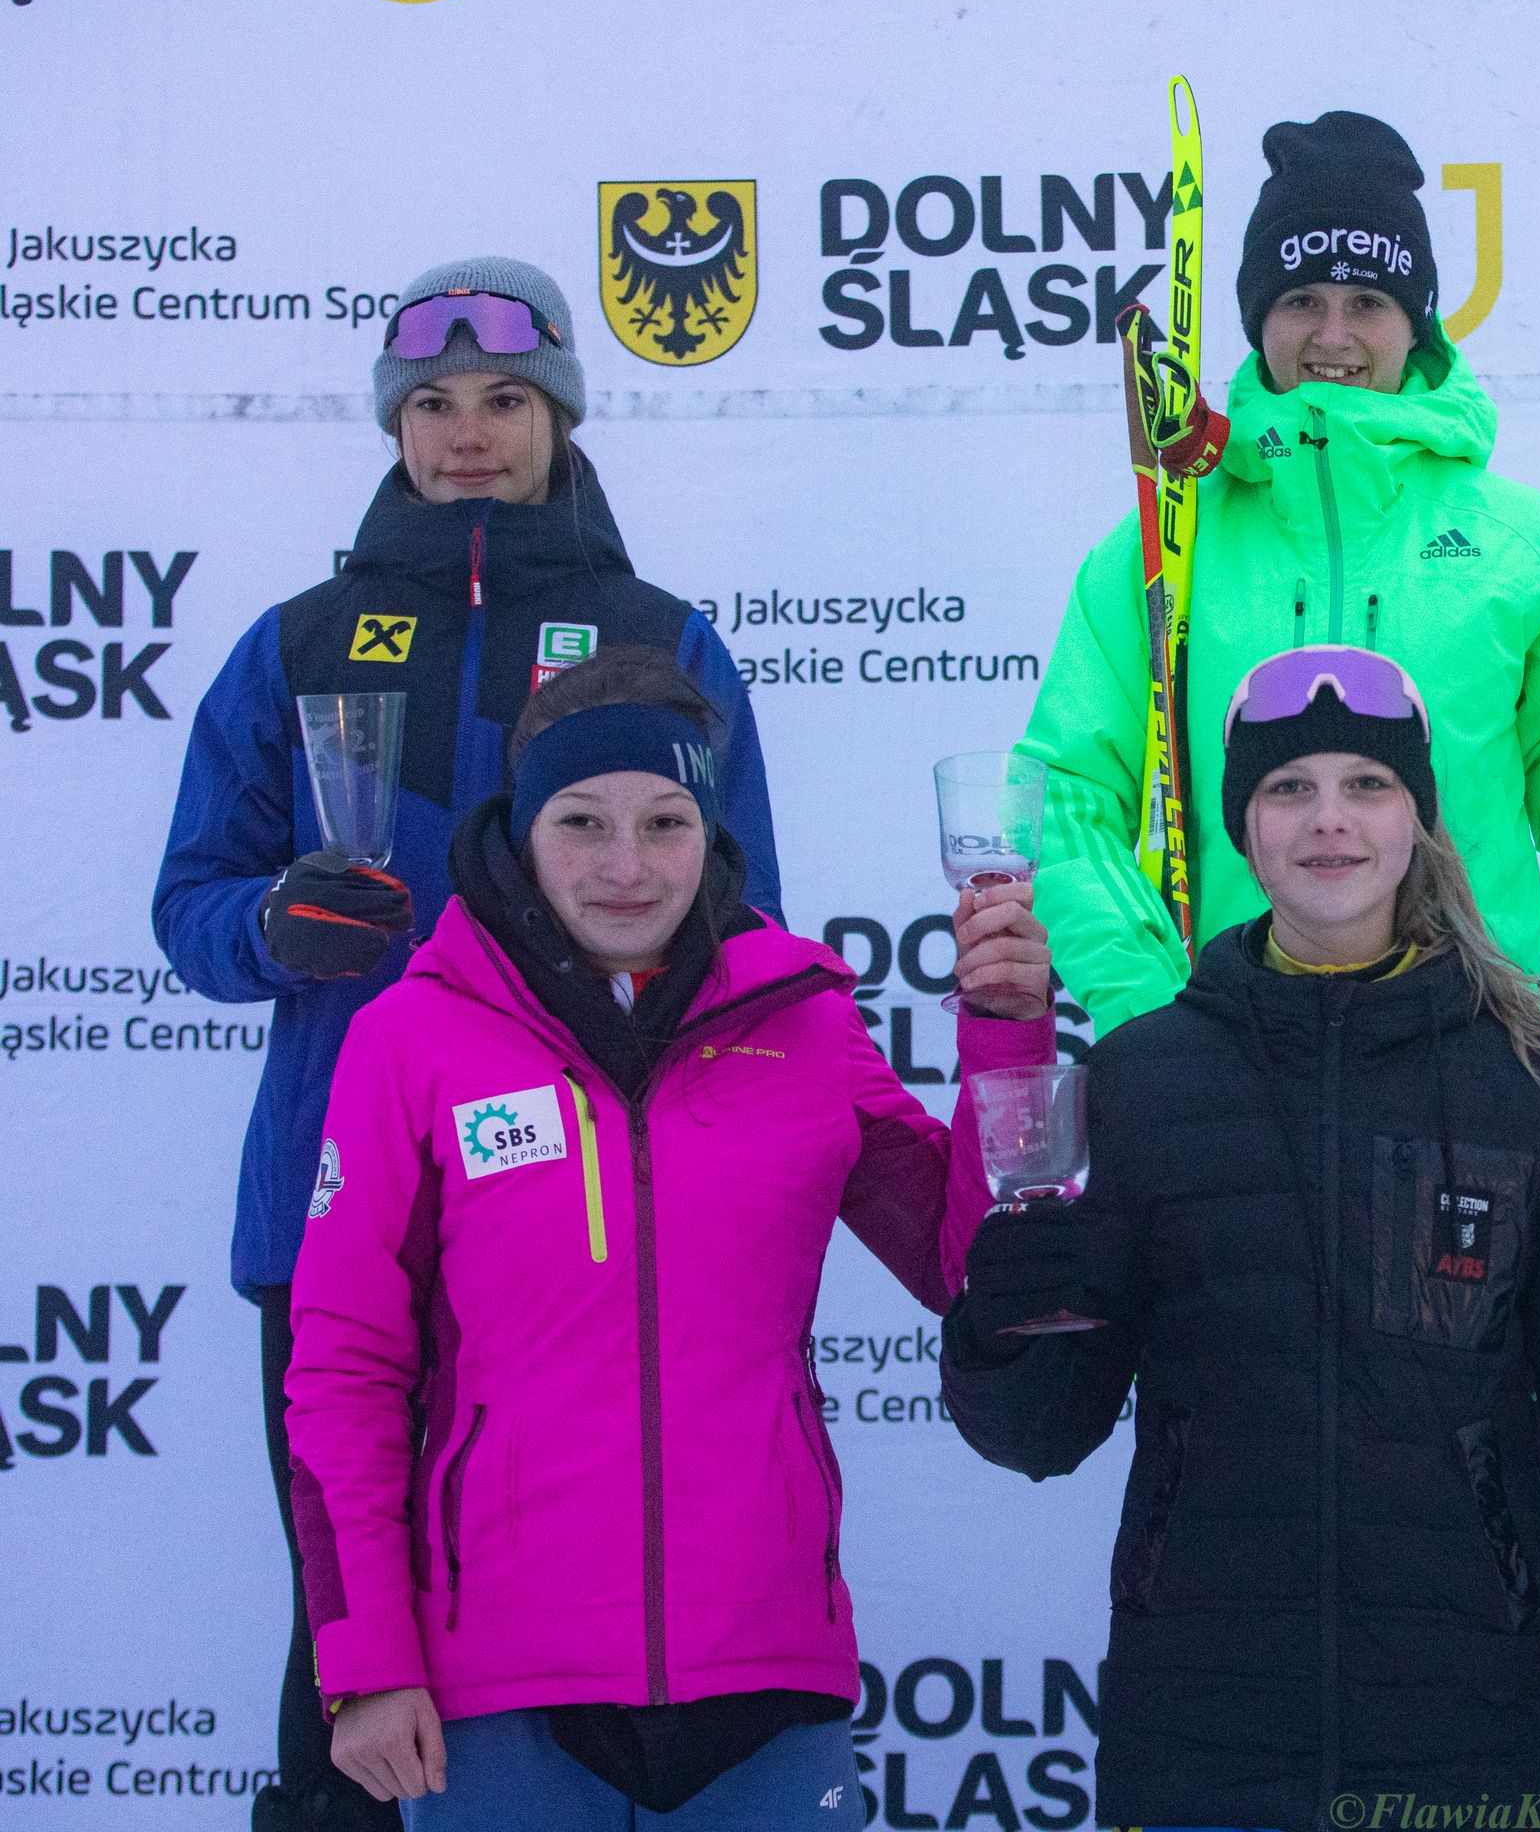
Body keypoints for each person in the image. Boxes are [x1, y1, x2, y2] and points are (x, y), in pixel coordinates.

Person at [149, 258, 778, 1832]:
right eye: (431, 405)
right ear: (396, 424)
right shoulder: (296, 644)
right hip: (336, 1209)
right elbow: (191, 905)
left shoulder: (662, 638)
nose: (467, 436)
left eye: (503, 400)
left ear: (557, 411)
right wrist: (270, 930)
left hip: (575, 1213)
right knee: (348, 1638)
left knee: (564, 1623)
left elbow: (749, 912)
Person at [283, 646, 1054, 1826]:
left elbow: (965, 1264)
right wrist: (367, 1661)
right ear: (522, 831)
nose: (628, 867)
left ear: (712, 832)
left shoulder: (800, 1023)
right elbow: (343, 1370)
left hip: (766, 1675)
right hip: (501, 1693)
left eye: (667, 821)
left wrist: (1005, 1032)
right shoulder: (416, 1037)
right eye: (583, 821)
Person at [946, 647, 1540, 1830]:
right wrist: (1002, 1319)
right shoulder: (1146, 1082)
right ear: (1242, 831)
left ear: (1420, 819)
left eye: (1368, 784)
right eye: (1289, 788)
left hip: (1469, 1742)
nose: (1330, 821)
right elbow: (1042, 1431)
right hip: (1201, 1739)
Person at [1017, 110, 1540, 1033]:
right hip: (1232, 1047)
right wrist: (1156, 1014)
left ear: (1417, 325)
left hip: (1471, 1039)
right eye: (1302, 300)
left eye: (1368, 302)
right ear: (1258, 321)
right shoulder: (1165, 542)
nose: (1335, 334)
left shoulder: (1519, 542)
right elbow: (1068, 798)